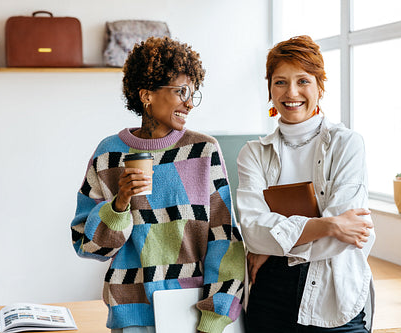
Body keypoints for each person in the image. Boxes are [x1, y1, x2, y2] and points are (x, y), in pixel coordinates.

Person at [71, 36, 245, 333]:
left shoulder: (205, 151)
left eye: (193, 93)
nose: (189, 103)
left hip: (191, 314)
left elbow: (224, 241)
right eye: (181, 91)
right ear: (146, 95)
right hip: (132, 319)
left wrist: (214, 319)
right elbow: (86, 246)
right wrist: (119, 203)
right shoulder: (109, 154)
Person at [236, 35, 375, 333]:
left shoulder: (347, 144)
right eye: (280, 82)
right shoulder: (253, 153)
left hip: (334, 294)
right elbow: (252, 228)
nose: (292, 92)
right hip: (269, 295)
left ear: (319, 86)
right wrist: (328, 225)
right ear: (270, 90)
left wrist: (274, 247)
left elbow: (345, 236)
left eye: (303, 81)